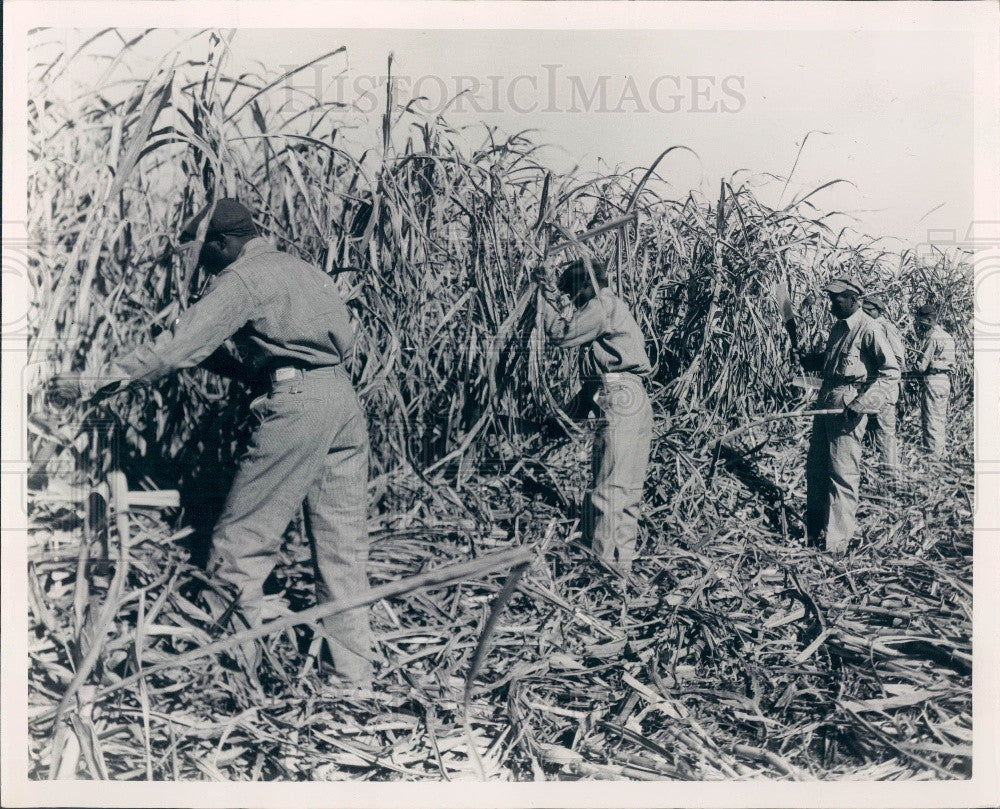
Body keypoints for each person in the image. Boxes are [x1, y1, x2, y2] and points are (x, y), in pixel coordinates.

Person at [54, 199, 375, 689]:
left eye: (202, 252)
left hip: (297, 406)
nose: (199, 263)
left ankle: (234, 677)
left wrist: (86, 382)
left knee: (238, 546)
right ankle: (352, 680)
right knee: (341, 551)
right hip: (342, 403)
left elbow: (170, 353)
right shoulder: (302, 270)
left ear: (223, 244)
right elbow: (280, 355)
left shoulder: (242, 280)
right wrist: (211, 356)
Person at [535, 257, 654, 574]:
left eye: (574, 294)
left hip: (620, 398)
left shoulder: (602, 304)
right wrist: (562, 420)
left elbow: (560, 334)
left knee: (609, 489)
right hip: (635, 398)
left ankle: (598, 568)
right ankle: (620, 570)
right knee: (627, 492)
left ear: (587, 285)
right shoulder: (611, 317)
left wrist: (541, 296)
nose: (574, 302)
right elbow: (589, 391)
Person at [801, 277, 899, 555]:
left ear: (855, 299)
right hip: (827, 400)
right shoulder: (837, 328)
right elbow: (835, 362)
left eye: (838, 298)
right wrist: (812, 360)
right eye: (831, 298)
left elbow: (890, 372)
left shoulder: (868, 329)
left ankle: (836, 544)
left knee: (842, 473)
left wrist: (863, 403)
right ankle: (815, 533)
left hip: (847, 406)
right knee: (817, 468)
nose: (832, 303)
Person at [861, 295, 905, 473]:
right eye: (864, 309)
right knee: (873, 431)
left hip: (882, 388)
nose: (866, 313)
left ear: (879, 311)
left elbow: (897, 360)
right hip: (869, 388)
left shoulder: (886, 327)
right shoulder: (867, 326)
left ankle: (891, 476)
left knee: (884, 433)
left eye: (870, 310)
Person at [913, 303, 955, 458]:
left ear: (929, 320)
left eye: (921, 321)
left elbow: (921, 367)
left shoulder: (933, 338)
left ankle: (933, 458)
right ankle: (940, 453)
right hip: (944, 381)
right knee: (940, 418)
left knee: (931, 419)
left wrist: (912, 365)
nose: (920, 325)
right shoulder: (948, 336)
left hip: (933, 380)